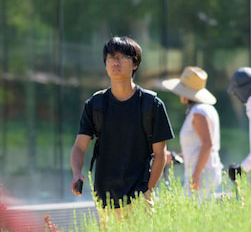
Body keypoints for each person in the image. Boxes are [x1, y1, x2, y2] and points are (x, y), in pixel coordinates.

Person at [70, 36, 174, 208]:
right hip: (104, 199)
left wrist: (148, 190)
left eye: (122, 57)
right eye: (110, 58)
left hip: (139, 197)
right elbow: (79, 147)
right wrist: (76, 173)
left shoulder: (151, 104)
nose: (115, 62)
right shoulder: (95, 105)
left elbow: (160, 154)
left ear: (135, 64)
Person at [161, 66, 222, 199]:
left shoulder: (198, 112)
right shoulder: (205, 109)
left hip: (202, 174)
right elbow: (199, 146)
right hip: (206, 172)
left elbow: (207, 144)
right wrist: (176, 156)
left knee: (193, 214)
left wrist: (196, 176)